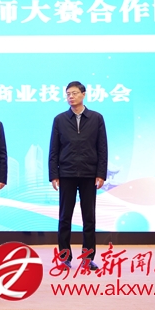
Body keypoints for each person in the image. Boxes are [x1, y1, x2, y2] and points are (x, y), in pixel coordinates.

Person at [49, 81, 108, 271]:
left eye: (74, 93)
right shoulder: (59, 120)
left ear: (84, 94)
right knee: (64, 218)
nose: (71, 97)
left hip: (89, 174)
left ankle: (88, 258)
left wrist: (101, 174)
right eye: (68, 94)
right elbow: (54, 149)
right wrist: (54, 174)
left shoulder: (96, 118)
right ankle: (64, 258)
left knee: (89, 218)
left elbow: (102, 148)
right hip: (66, 173)